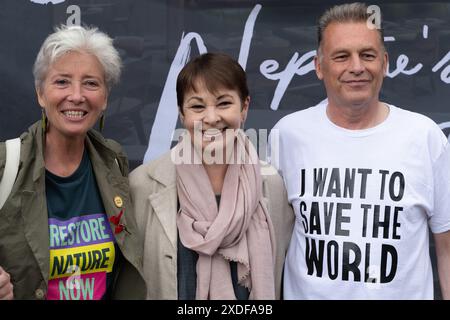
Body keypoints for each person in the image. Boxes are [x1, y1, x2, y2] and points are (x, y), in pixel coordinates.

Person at [271, 2, 450, 299]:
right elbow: (267, 243)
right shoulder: (287, 135)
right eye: (341, 56)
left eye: (367, 55)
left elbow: (446, 246)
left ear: (385, 63)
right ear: (319, 66)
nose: (356, 67)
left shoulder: (425, 136)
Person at [130, 52, 294, 299]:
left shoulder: (271, 184)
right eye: (197, 106)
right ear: (182, 114)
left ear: (244, 107)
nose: (211, 117)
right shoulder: (144, 185)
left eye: (224, 103)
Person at [0, 25, 145, 300]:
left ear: (105, 98)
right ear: (41, 93)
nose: (76, 95)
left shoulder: (113, 160)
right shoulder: (5, 165)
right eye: (62, 81)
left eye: (91, 83)